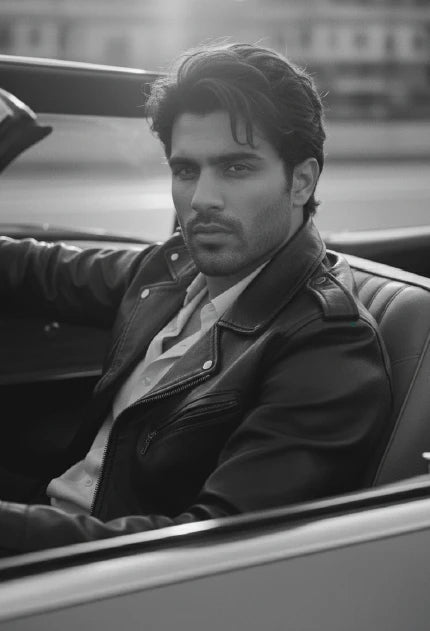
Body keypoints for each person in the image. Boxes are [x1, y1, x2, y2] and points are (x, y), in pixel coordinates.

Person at [0, 43, 392, 554]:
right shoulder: (174, 268)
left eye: (236, 168)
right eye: (186, 170)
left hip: (100, 574)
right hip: (50, 528)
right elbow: (40, 270)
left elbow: (218, 546)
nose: (202, 199)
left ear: (301, 181)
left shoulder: (329, 345)